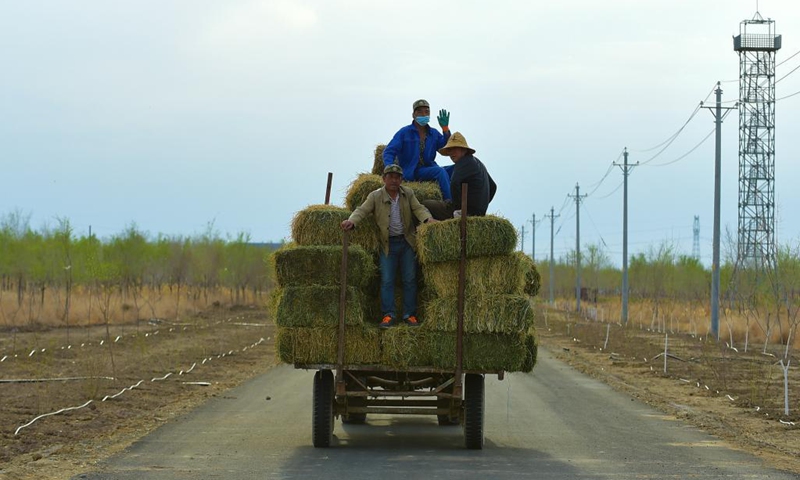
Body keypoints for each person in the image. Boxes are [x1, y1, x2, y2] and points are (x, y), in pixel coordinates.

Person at [341, 164, 438, 327]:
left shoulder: (408, 193)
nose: (394, 180)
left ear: (401, 179)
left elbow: (419, 208)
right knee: (387, 280)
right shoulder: (375, 196)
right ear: (384, 179)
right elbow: (361, 210)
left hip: (407, 242)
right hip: (387, 244)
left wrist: (428, 219)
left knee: (410, 279)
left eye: (397, 177)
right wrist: (351, 221)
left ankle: (410, 315)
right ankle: (388, 315)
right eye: (390, 177)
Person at [383, 99, 453, 201]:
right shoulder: (404, 132)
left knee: (458, 168)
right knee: (440, 172)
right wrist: (390, 168)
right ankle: (450, 203)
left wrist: (445, 129)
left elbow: (445, 147)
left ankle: (468, 204)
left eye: (426, 112)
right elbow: (389, 151)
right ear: (413, 115)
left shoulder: (433, 133)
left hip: (430, 168)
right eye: (419, 112)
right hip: (412, 170)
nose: (423, 114)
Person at [422, 132, 497, 220]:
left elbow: (454, 183)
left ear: (464, 150)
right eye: (450, 150)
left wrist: (457, 207)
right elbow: (493, 187)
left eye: (455, 149)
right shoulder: (478, 162)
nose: (452, 153)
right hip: (477, 212)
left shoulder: (463, 162)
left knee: (424, 204)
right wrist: (481, 206)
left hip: (465, 211)